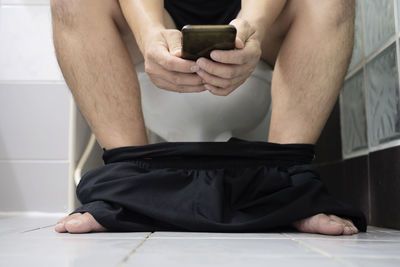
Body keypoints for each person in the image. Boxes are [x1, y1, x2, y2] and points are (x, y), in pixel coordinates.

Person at [50, 0, 359, 235]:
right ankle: (126, 185)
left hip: (258, 18)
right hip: (152, 17)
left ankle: (289, 186)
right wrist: (150, 34)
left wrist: (253, 27)